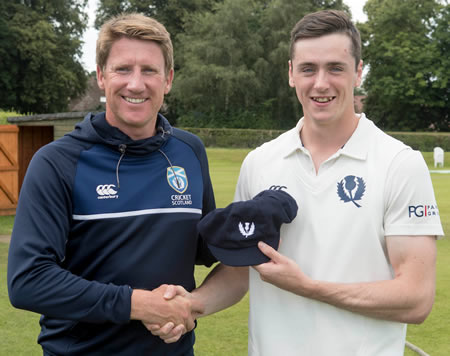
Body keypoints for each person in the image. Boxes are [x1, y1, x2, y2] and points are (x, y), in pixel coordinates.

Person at [153, 9, 444, 356]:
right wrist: (190, 305)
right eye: (308, 69)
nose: (321, 83)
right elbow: (241, 271)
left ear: (358, 72)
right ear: (291, 74)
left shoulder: (399, 164)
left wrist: (308, 287)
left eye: (335, 67)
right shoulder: (260, 163)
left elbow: (416, 298)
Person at [7, 13, 244, 355]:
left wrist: (250, 224)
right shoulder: (56, 162)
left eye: (149, 70)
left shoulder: (189, 151)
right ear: (102, 77)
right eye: (123, 69)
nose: (136, 84)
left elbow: (203, 247)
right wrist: (140, 304)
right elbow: (28, 281)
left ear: (169, 79)